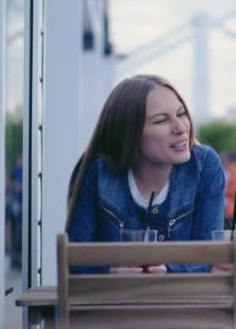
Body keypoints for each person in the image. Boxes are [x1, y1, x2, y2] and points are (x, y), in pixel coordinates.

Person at [66, 74, 225, 274]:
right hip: (113, 301)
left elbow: (211, 258)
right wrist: (111, 272)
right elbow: (76, 263)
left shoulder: (204, 165)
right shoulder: (96, 171)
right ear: (128, 133)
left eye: (181, 113)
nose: (181, 127)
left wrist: (168, 271)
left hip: (184, 302)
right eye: (161, 121)